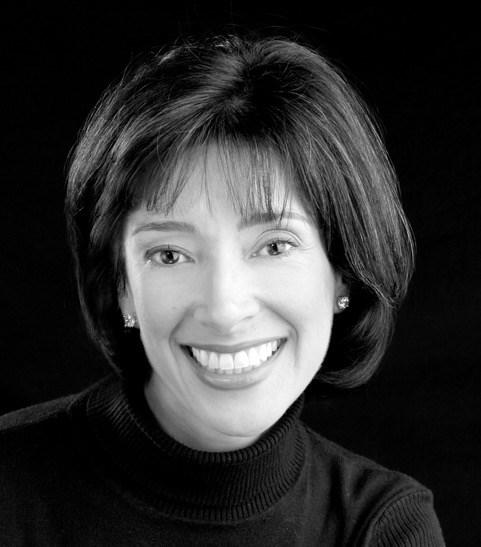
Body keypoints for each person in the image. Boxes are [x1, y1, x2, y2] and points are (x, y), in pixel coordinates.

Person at [0, 32, 445, 545]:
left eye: (274, 246)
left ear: (343, 270)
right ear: (121, 287)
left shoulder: (382, 527)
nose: (226, 309)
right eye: (170, 254)